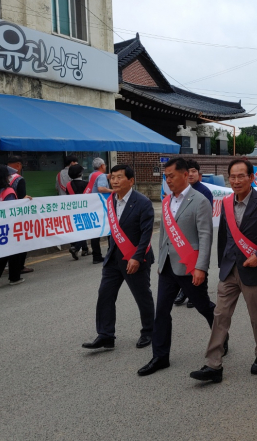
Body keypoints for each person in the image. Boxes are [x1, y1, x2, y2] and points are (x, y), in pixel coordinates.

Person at [189, 159, 257, 383]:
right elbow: (223, 235)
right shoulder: (226, 202)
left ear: (251, 178)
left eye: (241, 176)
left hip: (253, 270)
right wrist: (222, 264)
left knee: (256, 317)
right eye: (232, 176)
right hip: (229, 269)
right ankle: (213, 365)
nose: (236, 180)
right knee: (220, 315)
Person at [138, 158, 216, 376]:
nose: (168, 180)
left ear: (185, 175)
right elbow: (164, 233)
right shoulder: (166, 201)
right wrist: (161, 259)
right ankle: (160, 356)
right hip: (168, 267)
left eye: (171, 176)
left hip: (189, 266)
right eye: (166, 177)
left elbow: (205, 236)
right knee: (162, 311)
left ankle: (221, 337)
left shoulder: (200, 201)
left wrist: (201, 267)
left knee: (203, 307)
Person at [82, 165, 155, 351]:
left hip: (135, 258)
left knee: (142, 296)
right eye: (112, 177)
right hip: (113, 258)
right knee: (105, 294)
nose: (114, 181)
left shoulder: (143, 202)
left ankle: (149, 331)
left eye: (119, 177)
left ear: (131, 181)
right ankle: (105, 335)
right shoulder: (111, 200)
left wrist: (137, 257)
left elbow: (146, 234)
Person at [173, 158, 214, 308]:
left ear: (199, 174)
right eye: (188, 171)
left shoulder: (204, 192)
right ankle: (184, 291)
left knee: (197, 264)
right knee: (183, 263)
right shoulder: (178, 190)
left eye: (194, 171)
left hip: (196, 235)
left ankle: (196, 294)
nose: (191, 174)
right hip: (181, 234)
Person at [0, 165, 27, 288]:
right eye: (8, 175)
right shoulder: (9, 191)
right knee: (14, 249)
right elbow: (11, 209)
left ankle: (11, 276)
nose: (10, 177)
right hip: (10, 225)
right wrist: (23, 201)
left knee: (11, 249)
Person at [7, 156, 33, 274]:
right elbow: (22, 198)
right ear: (18, 165)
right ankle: (19, 266)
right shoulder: (19, 179)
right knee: (21, 239)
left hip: (3, 214)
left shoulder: (2, 178)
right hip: (17, 215)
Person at [87, 157, 113, 265]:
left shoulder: (92, 175)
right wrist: (113, 190)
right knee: (109, 228)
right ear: (102, 166)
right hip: (102, 206)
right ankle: (111, 253)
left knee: (95, 231)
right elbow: (101, 188)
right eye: (105, 165)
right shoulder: (101, 176)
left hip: (93, 206)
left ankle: (96, 256)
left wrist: (111, 175)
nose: (105, 166)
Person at [66, 164, 90, 260]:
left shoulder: (68, 185)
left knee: (78, 230)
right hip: (84, 210)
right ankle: (76, 248)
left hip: (73, 211)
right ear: (81, 173)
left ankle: (85, 249)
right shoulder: (86, 184)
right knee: (85, 231)